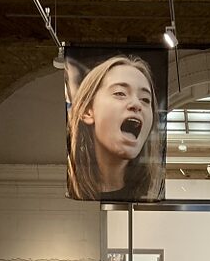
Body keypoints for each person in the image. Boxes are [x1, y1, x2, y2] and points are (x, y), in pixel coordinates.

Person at [67, 55, 164, 201]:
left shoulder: (152, 193)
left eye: (145, 99)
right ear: (87, 111)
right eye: (120, 93)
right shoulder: (71, 189)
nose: (136, 104)